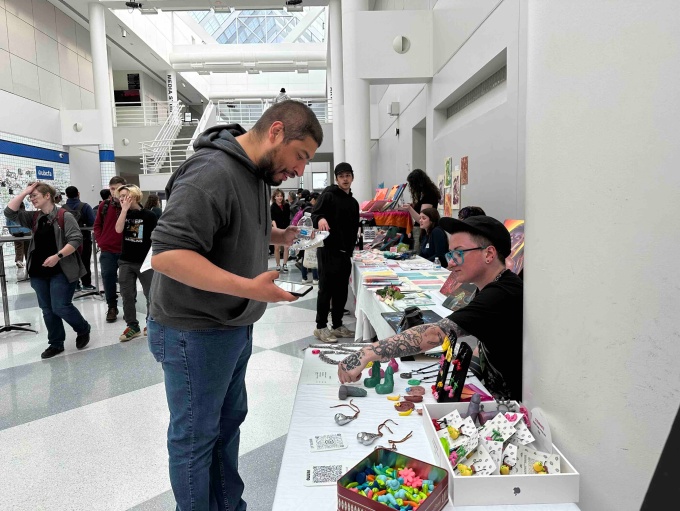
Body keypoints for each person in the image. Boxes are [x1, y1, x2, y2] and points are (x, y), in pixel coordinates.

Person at [148, 99, 323, 511]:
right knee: (195, 438)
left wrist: (279, 236)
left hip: (231, 327)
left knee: (225, 429)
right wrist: (248, 287)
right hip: (194, 330)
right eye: (301, 156)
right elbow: (167, 255)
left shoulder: (257, 173)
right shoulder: (211, 172)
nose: (300, 169)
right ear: (276, 131)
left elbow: (234, 230)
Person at [338, 215, 523, 401]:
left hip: (510, 404)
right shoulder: (492, 286)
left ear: (489, 254)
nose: (450, 263)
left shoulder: (500, 294)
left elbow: (434, 334)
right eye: (450, 254)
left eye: (458, 253)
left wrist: (367, 353)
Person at [4, 182, 90, 359]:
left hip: (62, 269)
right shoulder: (34, 217)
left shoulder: (64, 216)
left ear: (47, 196)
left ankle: (83, 328)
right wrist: (26, 191)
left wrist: (57, 256)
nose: (31, 198)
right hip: (38, 271)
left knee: (60, 306)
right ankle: (56, 343)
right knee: (47, 309)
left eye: (35, 195)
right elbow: (9, 212)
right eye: (30, 196)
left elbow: (75, 240)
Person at [312, 162, 360, 343]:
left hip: (345, 252)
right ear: (336, 178)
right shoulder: (329, 195)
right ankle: (321, 327)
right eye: (341, 176)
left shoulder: (353, 202)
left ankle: (338, 325)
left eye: (348, 175)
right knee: (326, 290)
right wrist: (322, 218)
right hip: (328, 251)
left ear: (352, 177)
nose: (345, 179)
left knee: (341, 291)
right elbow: (314, 213)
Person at [114, 185, 157, 341]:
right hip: (126, 261)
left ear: (135, 196)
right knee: (127, 295)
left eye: (125, 195)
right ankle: (132, 326)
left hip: (145, 261)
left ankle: (151, 323)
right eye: (120, 196)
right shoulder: (122, 214)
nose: (122, 199)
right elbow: (118, 230)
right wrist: (124, 211)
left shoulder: (149, 216)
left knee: (150, 294)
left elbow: (156, 238)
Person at [94, 176, 126, 323]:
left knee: (127, 280)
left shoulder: (130, 205)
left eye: (118, 189)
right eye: (112, 189)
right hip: (108, 250)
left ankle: (128, 306)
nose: (115, 192)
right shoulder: (104, 206)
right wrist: (101, 241)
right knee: (108, 277)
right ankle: (112, 306)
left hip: (126, 249)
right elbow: (97, 226)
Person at [63, 186, 96, 291]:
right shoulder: (85, 206)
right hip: (84, 238)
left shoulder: (62, 208)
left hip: (68, 240)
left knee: (71, 262)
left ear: (66, 195)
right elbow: (92, 222)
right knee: (85, 261)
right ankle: (86, 283)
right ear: (78, 193)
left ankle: (75, 284)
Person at [402, 169, 441, 252]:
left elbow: (422, 218)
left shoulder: (429, 196)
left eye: (412, 184)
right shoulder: (424, 195)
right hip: (419, 230)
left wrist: (409, 209)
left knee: (418, 252)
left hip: (421, 230)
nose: (411, 187)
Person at [270, 188, 290, 272]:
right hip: (276, 228)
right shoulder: (272, 207)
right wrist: (275, 228)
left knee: (286, 247)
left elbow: (288, 217)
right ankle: (278, 265)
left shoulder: (286, 205)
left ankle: (285, 264)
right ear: (274, 197)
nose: (280, 197)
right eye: (278, 196)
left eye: (281, 196)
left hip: (286, 228)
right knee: (277, 247)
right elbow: (272, 219)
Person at [6, 202, 31, 268]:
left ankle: (19, 261)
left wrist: (11, 231)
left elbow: (8, 223)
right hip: (27, 231)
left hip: (15, 232)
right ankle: (28, 260)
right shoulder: (26, 213)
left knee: (18, 246)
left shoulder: (10, 214)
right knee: (28, 247)